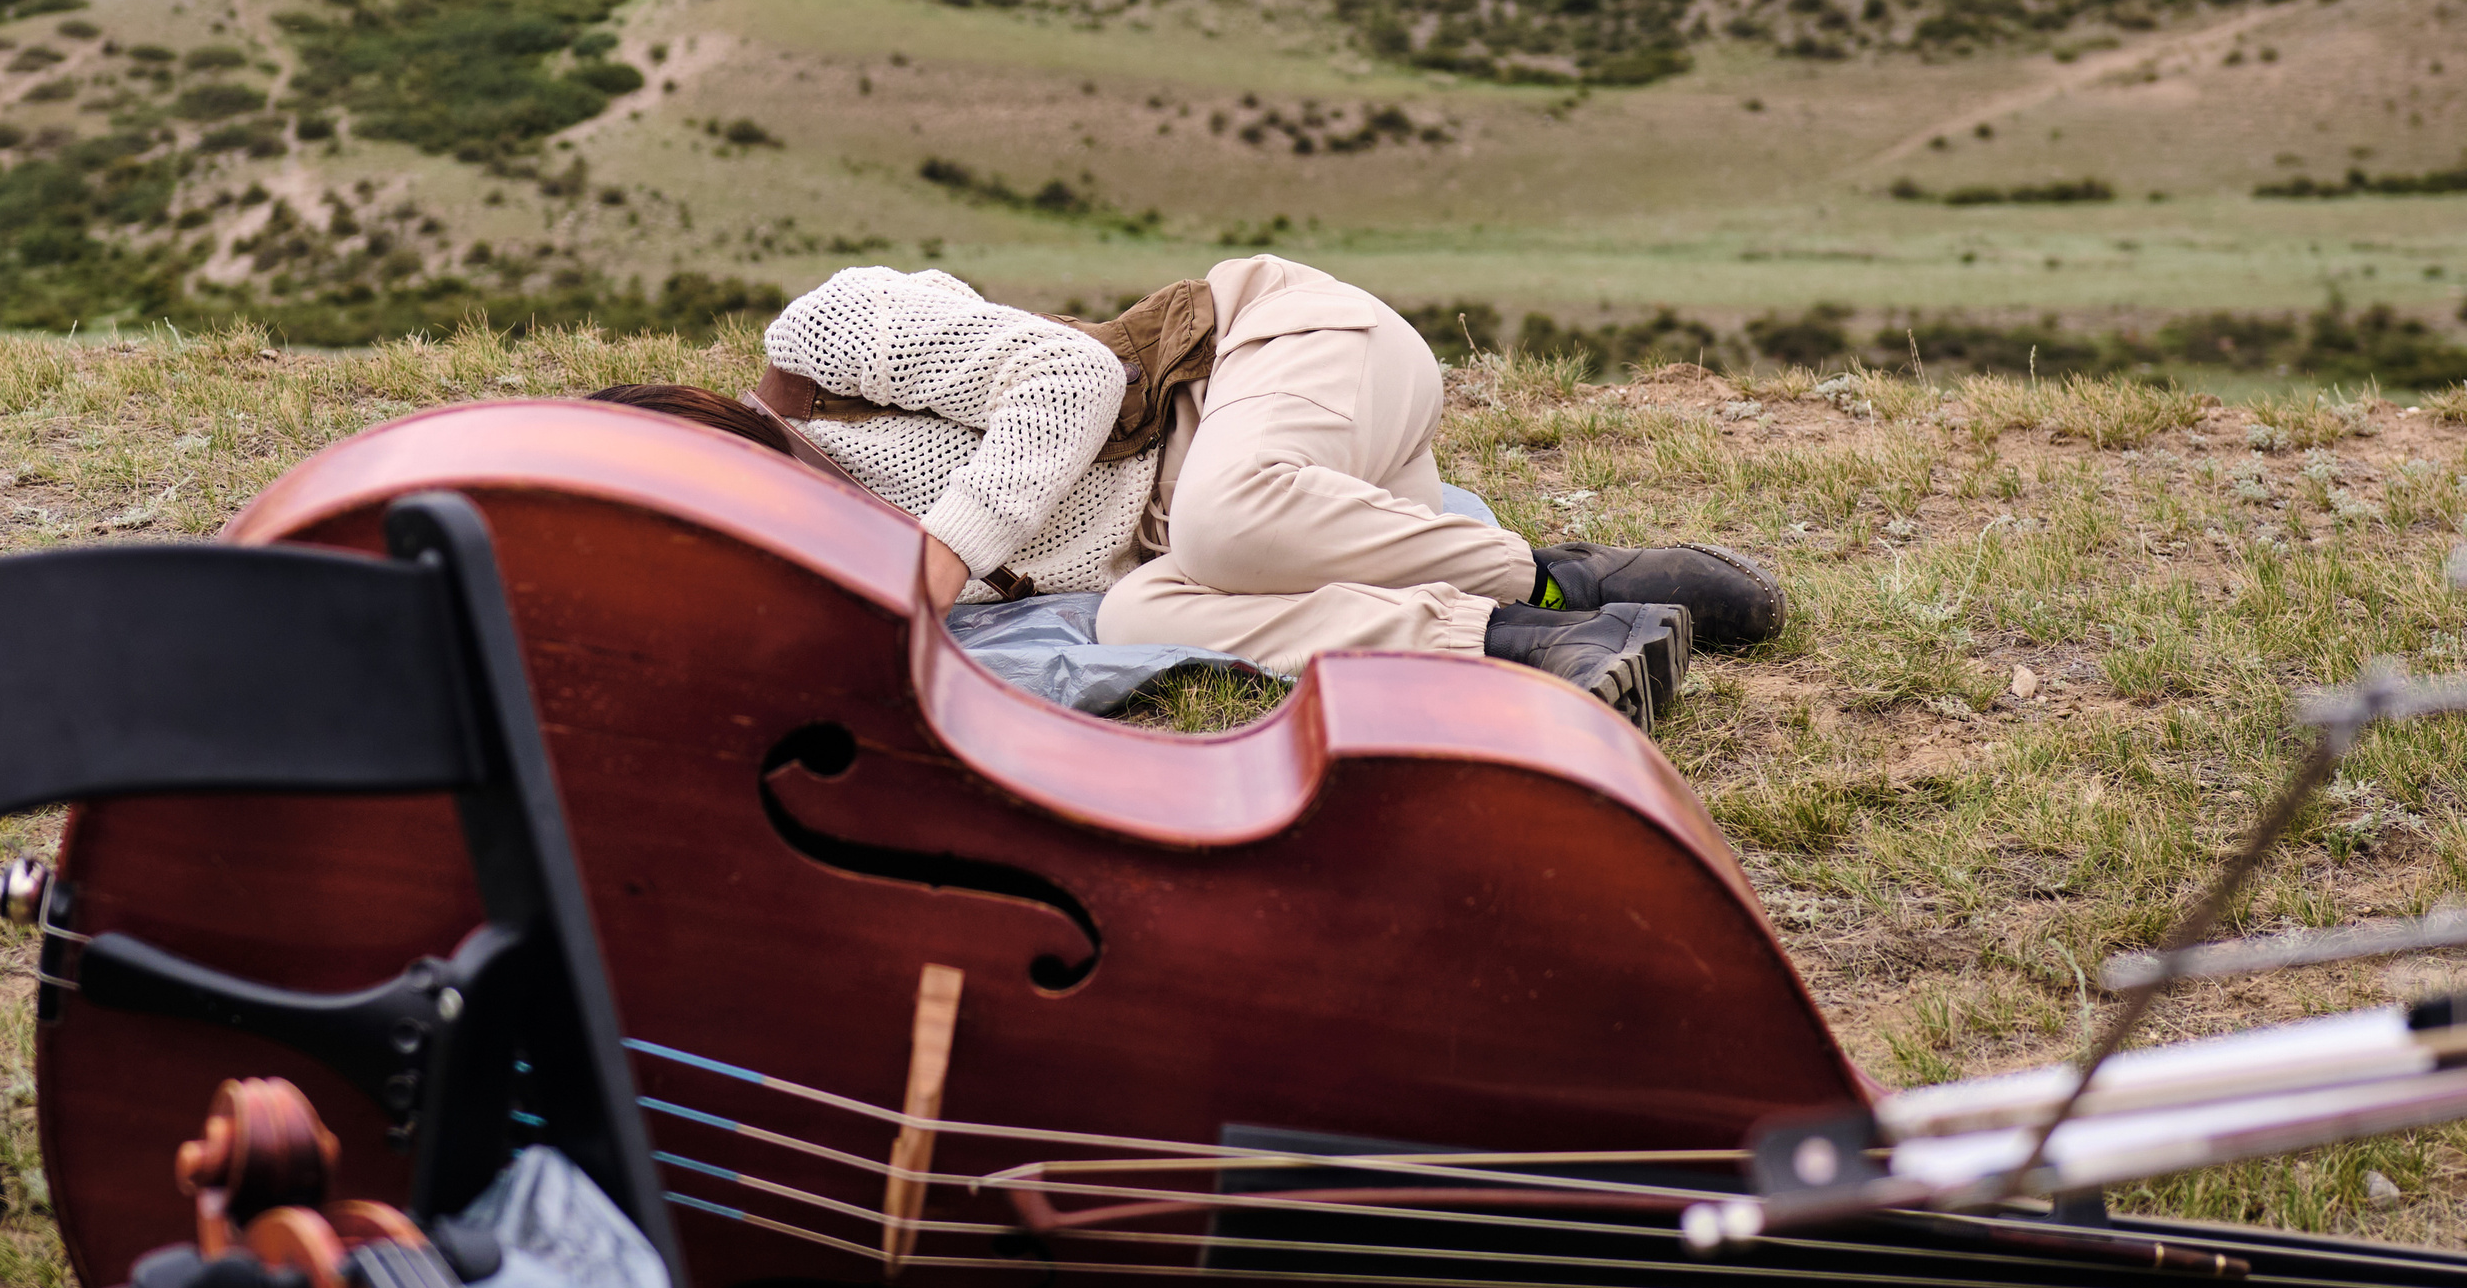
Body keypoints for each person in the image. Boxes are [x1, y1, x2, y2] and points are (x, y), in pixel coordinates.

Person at [611, 253, 1783, 725]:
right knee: (1139, 616)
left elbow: (1070, 373)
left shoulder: (818, 344)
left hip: (1287, 357)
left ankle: (1559, 570)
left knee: (1222, 517)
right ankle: (1531, 637)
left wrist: (943, 555)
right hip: (1309, 514)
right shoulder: (825, 563)